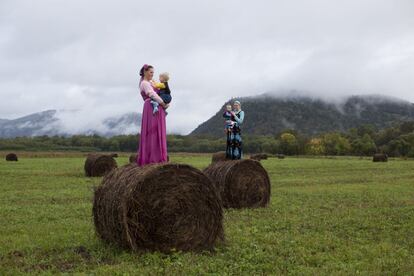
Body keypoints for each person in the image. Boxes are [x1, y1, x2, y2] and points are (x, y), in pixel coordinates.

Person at [136, 64, 169, 166]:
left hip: (156, 107)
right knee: (152, 132)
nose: (152, 74)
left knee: (158, 131)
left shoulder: (151, 82)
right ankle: (151, 159)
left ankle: (159, 158)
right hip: (151, 107)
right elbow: (152, 94)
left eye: (153, 73)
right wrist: (163, 103)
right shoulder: (144, 83)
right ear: (145, 72)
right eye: (151, 72)